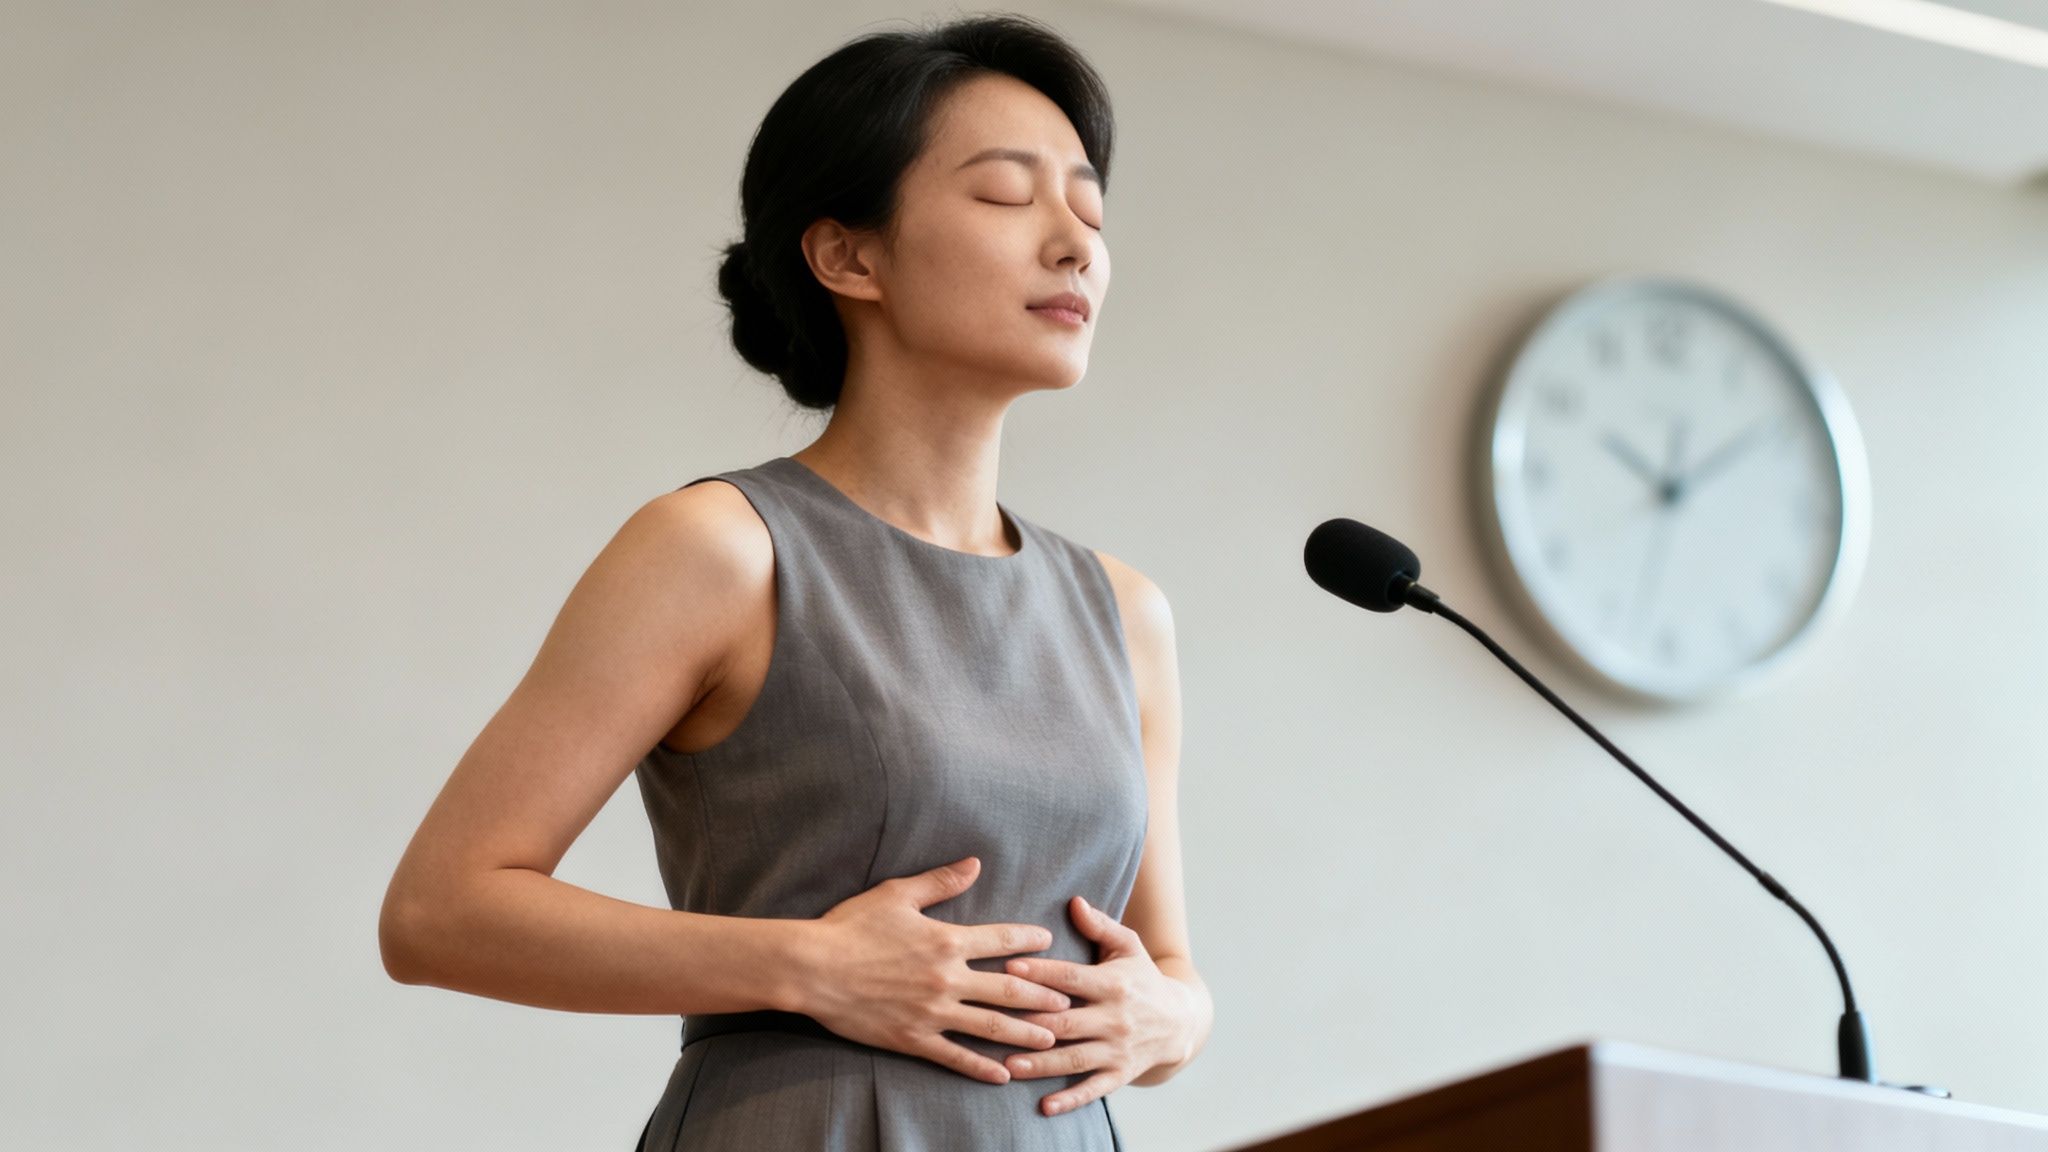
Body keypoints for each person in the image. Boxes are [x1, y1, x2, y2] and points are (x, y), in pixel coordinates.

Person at [378, 12, 1211, 1148]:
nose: (1074, 244)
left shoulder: (1123, 612)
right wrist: (808, 965)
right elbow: (437, 912)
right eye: (1010, 197)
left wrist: (1168, 1021)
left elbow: (1168, 969)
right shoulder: (720, 548)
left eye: (1090, 208)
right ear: (846, 255)